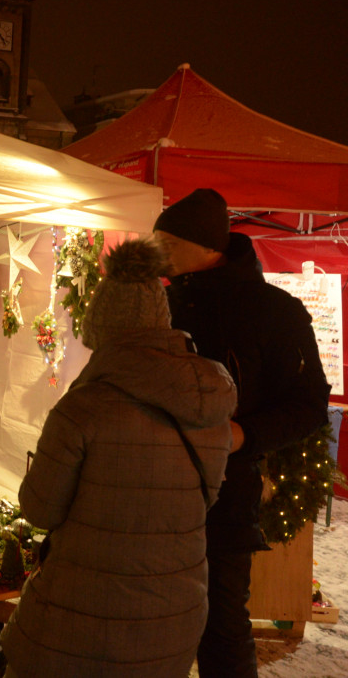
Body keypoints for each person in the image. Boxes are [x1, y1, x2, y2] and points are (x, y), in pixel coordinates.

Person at [1, 239, 237, 678]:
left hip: (78, 623)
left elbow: (39, 509)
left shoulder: (84, 408)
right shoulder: (209, 403)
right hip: (174, 622)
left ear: (103, 327)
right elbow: (205, 497)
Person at [153, 188, 330, 678]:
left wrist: (242, 435)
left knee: (222, 624)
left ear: (208, 246)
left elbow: (309, 404)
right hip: (148, 489)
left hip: (225, 499)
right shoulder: (157, 302)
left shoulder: (275, 311)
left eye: (167, 240)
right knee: (142, 618)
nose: (156, 250)